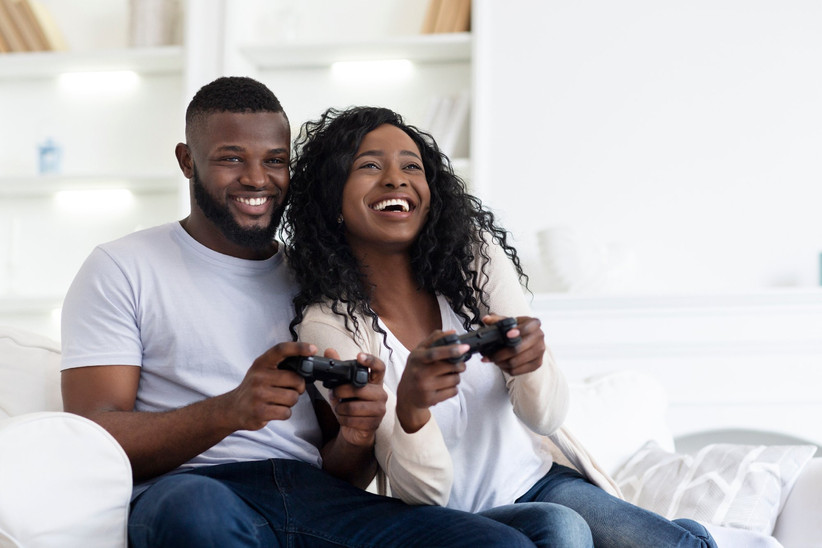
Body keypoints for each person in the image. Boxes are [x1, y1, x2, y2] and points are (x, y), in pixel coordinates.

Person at [59, 76, 542, 548]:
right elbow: (92, 437)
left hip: (313, 495)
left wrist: (356, 434)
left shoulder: (318, 285)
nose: (256, 179)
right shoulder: (122, 267)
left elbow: (344, 472)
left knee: (495, 541)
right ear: (187, 161)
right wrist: (228, 411)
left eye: (274, 161)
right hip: (193, 487)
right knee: (197, 511)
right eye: (231, 159)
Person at [283, 105, 719, 548]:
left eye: (411, 166)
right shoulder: (327, 326)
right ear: (332, 199)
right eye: (370, 165)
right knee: (563, 529)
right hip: (451, 524)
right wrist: (412, 410)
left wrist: (531, 364)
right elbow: (424, 496)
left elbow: (546, 416)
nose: (396, 178)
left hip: (542, 481)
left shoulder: (471, 259)